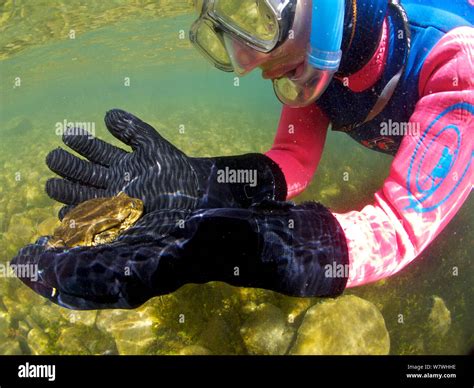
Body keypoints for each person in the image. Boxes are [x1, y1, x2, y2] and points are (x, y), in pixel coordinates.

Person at [12, 0, 473, 309]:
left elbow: (396, 230)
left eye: (256, 13)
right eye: (225, 24)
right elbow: (291, 160)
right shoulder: (315, 67)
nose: (245, 58)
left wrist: (225, 248)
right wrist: (198, 181)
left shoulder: (459, 63)